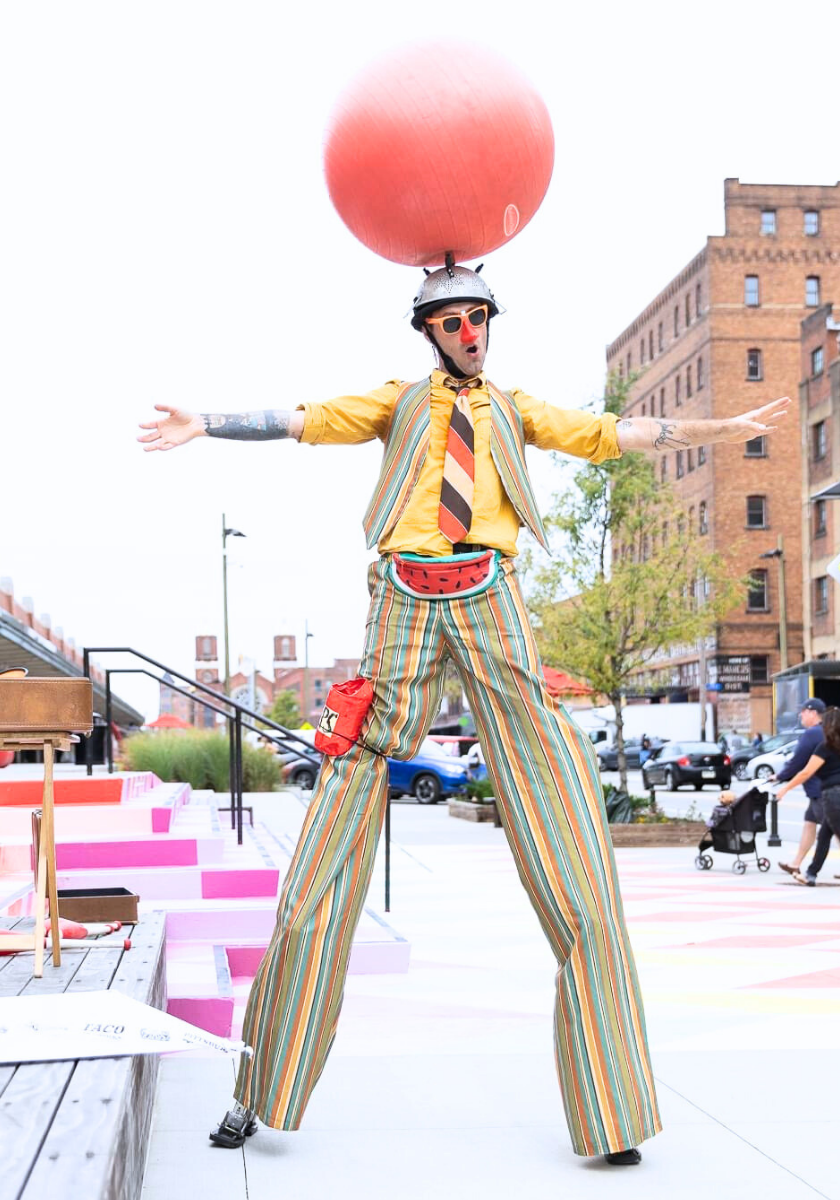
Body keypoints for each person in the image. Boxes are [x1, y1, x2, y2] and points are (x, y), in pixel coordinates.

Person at [139, 264, 789, 1169]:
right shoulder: (398, 402)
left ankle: (610, 1112)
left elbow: (613, 433)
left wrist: (720, 427)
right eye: (451, 318)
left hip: (492, 592)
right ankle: (260, 1087)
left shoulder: (515, 409)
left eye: (478, 313)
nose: (469, 328)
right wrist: (206, 421)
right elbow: (302, 420)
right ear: (430, 330)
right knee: (324, 853)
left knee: (568, 832)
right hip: (403, 598)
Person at [775, 706, 840, 886]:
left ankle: (810, 873)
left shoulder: (825, 747)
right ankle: (810, 874)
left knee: (831, 834)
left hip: (833, 795)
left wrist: (785, 789)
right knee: (825, 834)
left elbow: (806, 773)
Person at [772, 698, 826, 875]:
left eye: (802, 712)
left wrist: (781, 777)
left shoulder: (812, 734)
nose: (800, 715)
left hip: (821, 791)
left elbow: (798, 762)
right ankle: (796, 863)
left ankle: (809, 870)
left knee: (832, 828)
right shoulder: (829, 731)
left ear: (812, 713)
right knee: (810, 823)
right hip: (822, 790)